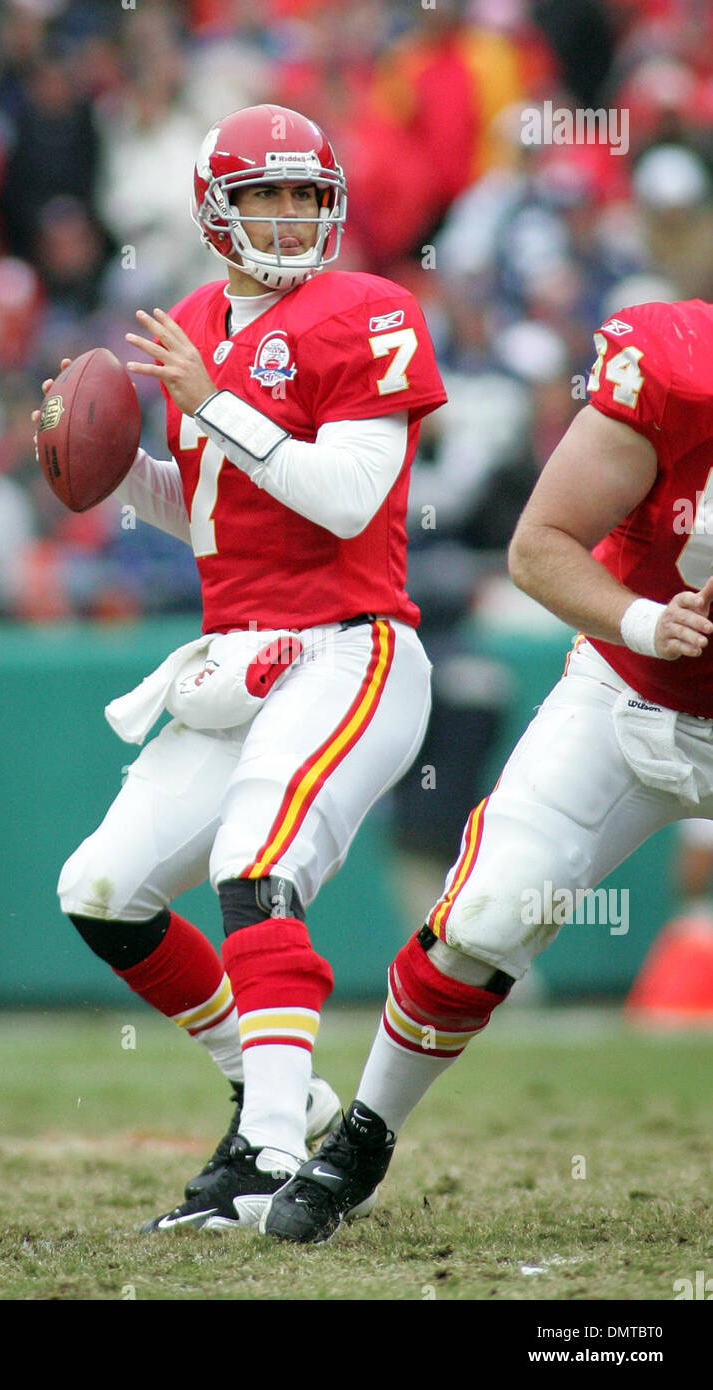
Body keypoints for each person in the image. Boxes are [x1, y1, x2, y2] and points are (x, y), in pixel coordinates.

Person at [43, 105, 447, 1231]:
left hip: (349, 646)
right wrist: (110, 467)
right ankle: (275, 1086)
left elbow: (347, 495)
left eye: (304, 194)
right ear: (216, 211)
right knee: (101, 889)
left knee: (254, 863)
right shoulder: (190, 321)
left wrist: (213, 400)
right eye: (263, 195)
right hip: (237, 653)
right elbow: (216, 510)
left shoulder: (367, 310)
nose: (287, 215)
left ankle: (266, 1155)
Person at [263, 295, 713, 1243]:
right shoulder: (674, 371)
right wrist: (645, 620)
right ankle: (362, 1137)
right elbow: (537, 546)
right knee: (486, 916)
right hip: (631, 694)